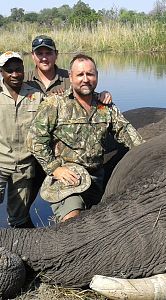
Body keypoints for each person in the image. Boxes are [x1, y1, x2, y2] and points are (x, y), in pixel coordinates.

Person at [27, 53, 144, 222]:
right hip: (68, 179)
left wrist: (147, 151)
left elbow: (126, 132)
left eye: (90, 74)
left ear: (96, 75)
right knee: (72, 221)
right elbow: (34, 140)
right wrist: (55, 168)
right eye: (80, 74)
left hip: (97, 177)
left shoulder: (105, 106)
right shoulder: (55, 104)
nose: (85, 79)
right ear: (70, 76)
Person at [0, 51, 44, 228]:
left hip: (25, 166)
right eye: (9, 70)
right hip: (1, 162)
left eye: (18, 69)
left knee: (18, 218)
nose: (15, 74)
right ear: (1, 72)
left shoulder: (36, 96)